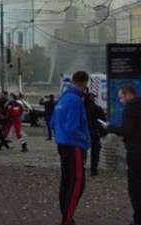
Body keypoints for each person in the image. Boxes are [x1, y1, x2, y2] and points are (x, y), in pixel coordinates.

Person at [50, 70, 91, 225]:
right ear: (84, 84)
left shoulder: (63, 99)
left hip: (62, 144)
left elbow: (52, 123)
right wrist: (86, 138)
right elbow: (72, 126)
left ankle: (67, 216)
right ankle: (67, 219)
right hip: (74, 146)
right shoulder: (75, 100)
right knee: (77, 183)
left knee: (66, 182)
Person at [107, 84, 141, 225]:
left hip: (135, 152)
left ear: (128, 94)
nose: (121, 101)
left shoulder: (130, 108)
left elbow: (126, 130)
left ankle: (138, 219)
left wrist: (110, 128)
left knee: (135, 187)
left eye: (121, 97)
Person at [84, 93, 107, 176]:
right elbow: (102, 122)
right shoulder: (97, 108)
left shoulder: (81, 108)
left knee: (83, 151)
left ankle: (82, 167)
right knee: (95, 152)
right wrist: (103, 133)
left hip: (83, 132)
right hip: (94, 132)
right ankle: (93, 169)